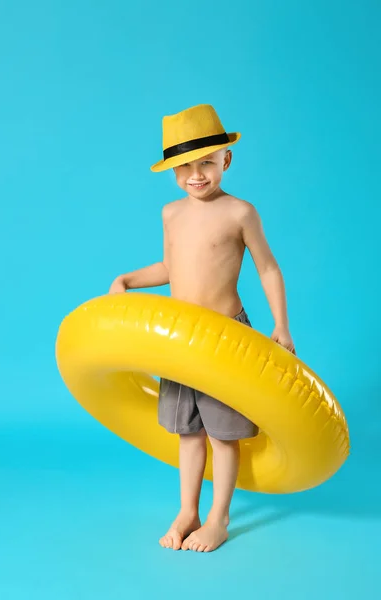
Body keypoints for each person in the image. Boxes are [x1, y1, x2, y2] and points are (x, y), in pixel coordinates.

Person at [109, 104, 295, 553]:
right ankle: (188, 510)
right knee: (188, 431)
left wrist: (281, 326)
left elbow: (268, 269)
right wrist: (128, 280)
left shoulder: (240, 213)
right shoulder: (171, 214)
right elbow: (173, 267)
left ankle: (218, 518)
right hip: (181, 340)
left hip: (225, 338)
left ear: (225, 161)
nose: (197, 174)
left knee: (222, 433)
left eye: (207, 163)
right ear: (173, 170)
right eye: (186, 166)